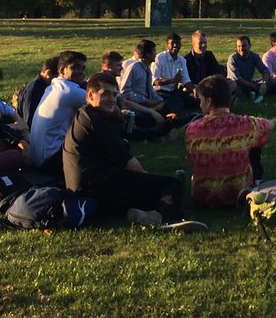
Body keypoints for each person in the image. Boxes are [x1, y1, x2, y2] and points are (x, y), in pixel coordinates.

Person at [62, 73, 186, 226]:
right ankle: (168, 220)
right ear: (90, 95)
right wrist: (147, 177)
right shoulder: (96, 121)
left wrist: (166, 125)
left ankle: (138, 213)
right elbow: (126, 160)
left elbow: (135, 134)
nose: (111, 99)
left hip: (86, 191)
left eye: (114, 95)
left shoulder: (87, 114)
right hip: (96, 190)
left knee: (149, 190)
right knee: (171, 185)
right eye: (106, 94)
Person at [184, 75, 273, 208]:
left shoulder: (192, 129)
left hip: (202, 195)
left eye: (200, 99)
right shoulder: (245, 124)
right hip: (239, 194)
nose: (199, 103)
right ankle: (256, 180)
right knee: (255, 140)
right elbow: (270, 125)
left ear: (208, 101)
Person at [27, 51, 88, 177]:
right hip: (50, 162)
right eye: (75, 67)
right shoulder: (70, 91)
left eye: (83, 68)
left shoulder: (53, 86)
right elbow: (104, 103)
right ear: (62, 70)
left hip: (38, 159)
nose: (81, 72)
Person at [152, 32, 199, 113]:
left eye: (177, 43)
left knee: (194, 100)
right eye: (172, 43)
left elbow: (186, 80)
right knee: (177, 102)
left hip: (173, 92)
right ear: (167, 45)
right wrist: (172, 80)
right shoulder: (159, 58)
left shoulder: (182, 60)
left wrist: (195, 89)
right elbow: (155, 82)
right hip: (160, 92)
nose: (175, 46)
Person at [227, 35, 269, 102]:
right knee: (236, 89)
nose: (241, 49)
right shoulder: (233, 58)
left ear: (249, 46)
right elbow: (237, 79)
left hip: (249, 82)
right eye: (239, 46)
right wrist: (253, 86)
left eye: (244, 46)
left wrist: (264, 83)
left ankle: (258, 96)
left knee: (271, 81)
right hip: (236, 84)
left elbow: (265, 71)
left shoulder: (254, 56)